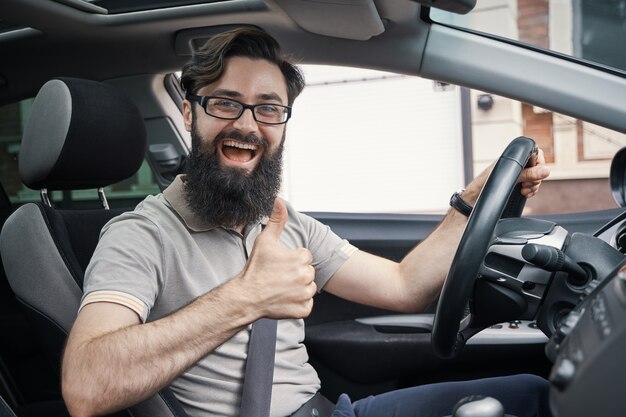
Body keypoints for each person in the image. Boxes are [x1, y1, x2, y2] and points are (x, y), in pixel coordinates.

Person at [60, 28, 551, 417]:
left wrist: (467, 204)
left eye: (268, 108)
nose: (248, 125)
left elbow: (405, 287)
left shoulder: (283, 220)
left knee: (532, 396)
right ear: (191, 111)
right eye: (226, 102)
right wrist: (246, 298)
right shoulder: (139, 235)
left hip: (331, 411)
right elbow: (86, 385)